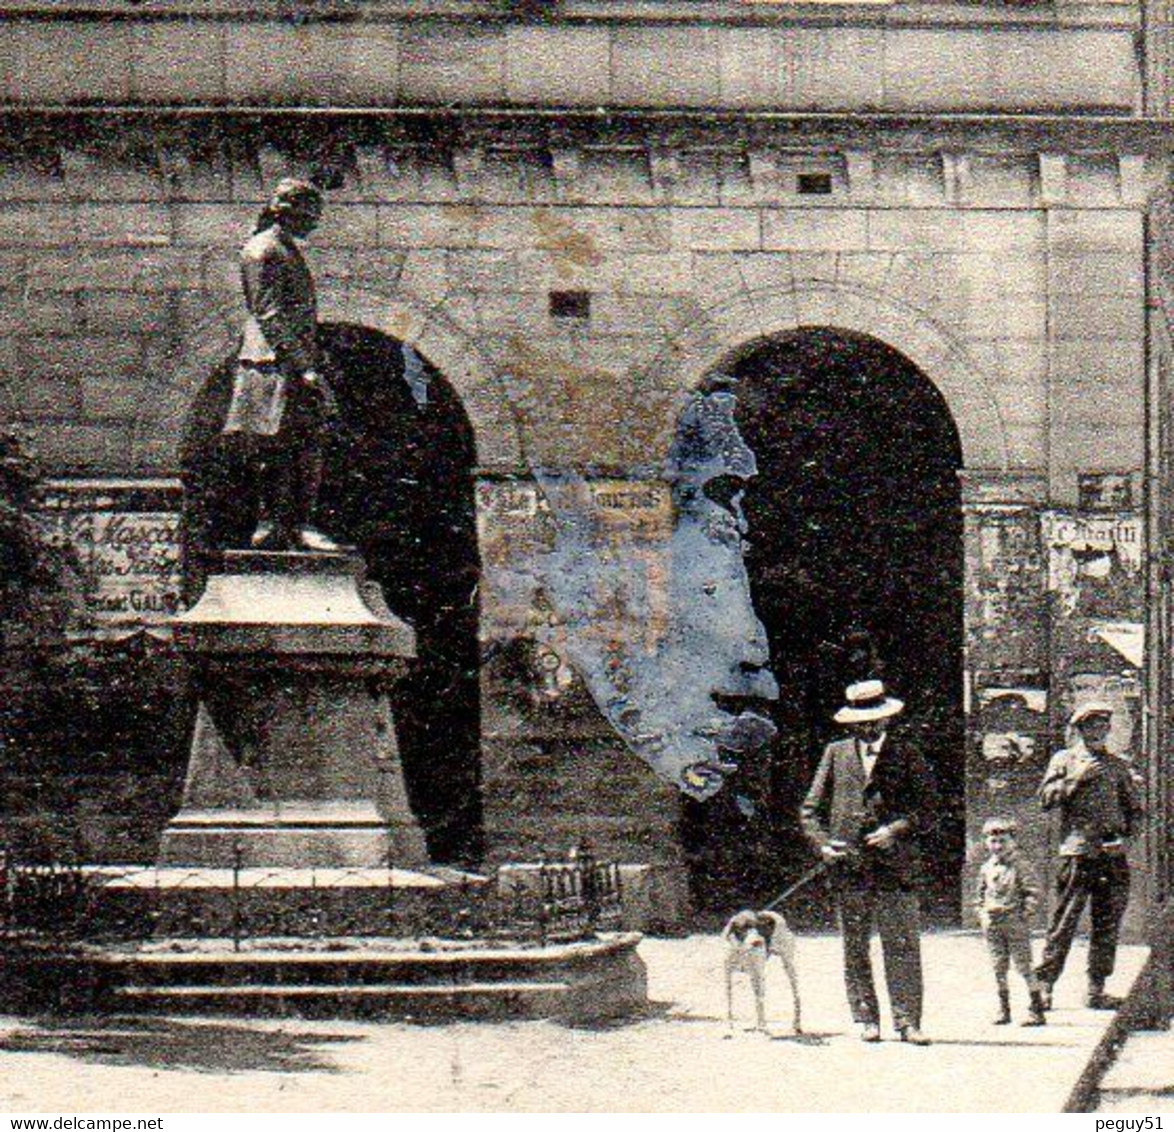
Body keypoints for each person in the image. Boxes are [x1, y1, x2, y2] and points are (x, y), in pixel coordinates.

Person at [801, 679, 938, 1044]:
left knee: (902, 944)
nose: (867, 727)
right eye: (860, 721)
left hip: (896, 867)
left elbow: (929, 810)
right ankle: (866, 1019)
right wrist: (822, 845)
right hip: (850, 867)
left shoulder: (908, 753)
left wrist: (895, 829)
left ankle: (908, 1022)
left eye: (873, 720)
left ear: (886, 718)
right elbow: (810, 810)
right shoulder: (836, 753)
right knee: (855, 945)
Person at [224, 177, 340, 552]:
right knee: (271, 448)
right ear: (287, 210)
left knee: (307, 444)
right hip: (270, 365)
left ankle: (300, 524)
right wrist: (304, 366)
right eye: (311, 212)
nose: (316, 221)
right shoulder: (262, 250)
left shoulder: (285, 249)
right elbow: (268, 313)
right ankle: (271, 523)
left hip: (288, 363)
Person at [1034, 702, 1143, 1009]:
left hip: (1111, 856)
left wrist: (1126, 841)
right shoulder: (1064, 760)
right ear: (1079, 729)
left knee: (1107, 925)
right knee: (1063, 923)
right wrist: (1076, 779)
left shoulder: (1118, 766)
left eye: (1103, 726)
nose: (1098, 732)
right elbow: (1045, 799)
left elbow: (1136, 812)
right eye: (1091, 726)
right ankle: (1044, 987)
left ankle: (1096, 988)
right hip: (1078, 853)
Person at [975, 817, 1046, 1026]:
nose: (997, 846)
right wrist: (982, 913)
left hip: (1014, 921)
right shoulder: (986, 868)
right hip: (992, 923)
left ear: (1013, 841)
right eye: (992, 841)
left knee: (1024, 965)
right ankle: (1004, 1009)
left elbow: (1033, 892)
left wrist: (1024, 914)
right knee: (998, 966)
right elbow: (979, 894)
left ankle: (1036, 1009)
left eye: (1002, 841)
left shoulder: (1020, 866)